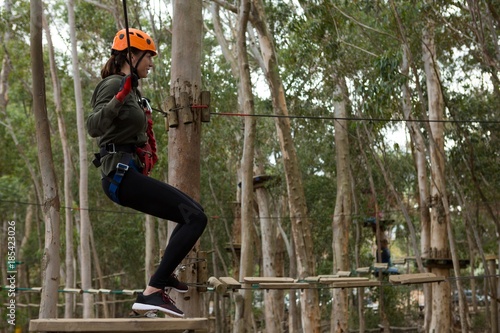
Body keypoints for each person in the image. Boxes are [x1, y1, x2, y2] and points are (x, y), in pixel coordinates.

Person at [86, 28, 207, 317]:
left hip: (129, 174)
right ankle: (154, 291)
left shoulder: (132, 89)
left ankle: (160, 281)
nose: (151, 62)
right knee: (195, 217)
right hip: (119, 175)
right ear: (131, 55)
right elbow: (93, 126)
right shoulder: (113, 84)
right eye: (148, 57)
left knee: (192, 213)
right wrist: (120, 95)